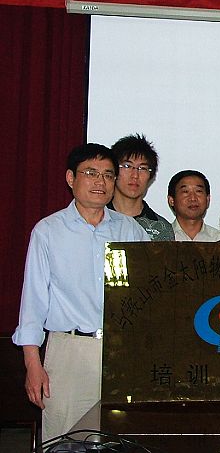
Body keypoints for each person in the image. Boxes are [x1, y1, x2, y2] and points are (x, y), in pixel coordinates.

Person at [12, 143, 150, 441]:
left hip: (123, 353)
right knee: (66, 441)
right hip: (69, 351)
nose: (101, 182)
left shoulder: (131, 231)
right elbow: (33, 302)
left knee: (121, 440)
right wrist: (32, 364)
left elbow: (147, 296)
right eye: (91, 173)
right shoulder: (48, 231)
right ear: (70, 178)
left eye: (108, 175)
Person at [109, 133, 174, 241]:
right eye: (127, 166)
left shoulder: (161, 228)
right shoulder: (98, 217)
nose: (135, 175)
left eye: (142, 168)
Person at [167, 169, 220, 242]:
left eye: (198, 191)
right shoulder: (162, 237)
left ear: (208, 199)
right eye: (185, 191)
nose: (193, 198)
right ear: (171, 200)